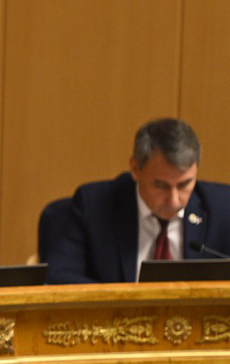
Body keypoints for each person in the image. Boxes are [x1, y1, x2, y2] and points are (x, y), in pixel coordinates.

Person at [46, 118, 230, 284]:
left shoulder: (223, 207)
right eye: (160, 185)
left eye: (184, 184)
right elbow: (58, 275)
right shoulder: (93, 205)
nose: (174, 201)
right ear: (135, 169)